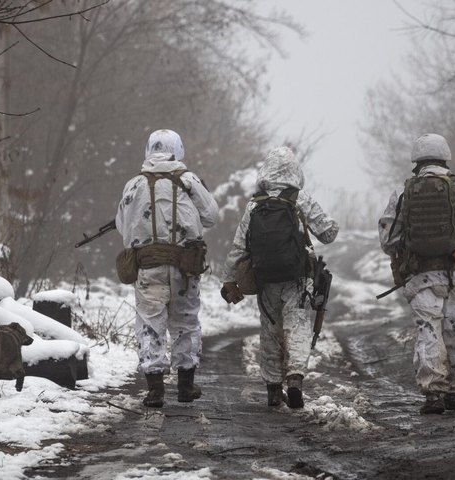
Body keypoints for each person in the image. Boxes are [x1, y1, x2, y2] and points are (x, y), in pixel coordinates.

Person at [378, 133, 455, 414]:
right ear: (445, 157)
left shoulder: (404, 193)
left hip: (420, 276)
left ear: (417, 161)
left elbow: (388, 239)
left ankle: (434, 394)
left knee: (429, 330)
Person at [221, 146, 338, 408]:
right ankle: (295, 378)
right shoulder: (300, 199)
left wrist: (229, 279)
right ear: (294, 171)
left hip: (264, 278)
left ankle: (273, 388)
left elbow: (239, 247)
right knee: (296, 325)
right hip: (296, 278)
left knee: (270, 330)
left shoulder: (254, 204)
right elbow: (329, 233)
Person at [115, 129, 219, 408]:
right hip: (185, 268)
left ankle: (155, 390)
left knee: (150, 325)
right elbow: (211, 217)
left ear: (148, 149)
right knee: (185, 324)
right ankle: (186, 386)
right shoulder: (189, 181)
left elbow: (121, 226)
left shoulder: (134, 185)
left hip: (148, 268)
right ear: (179, 149)